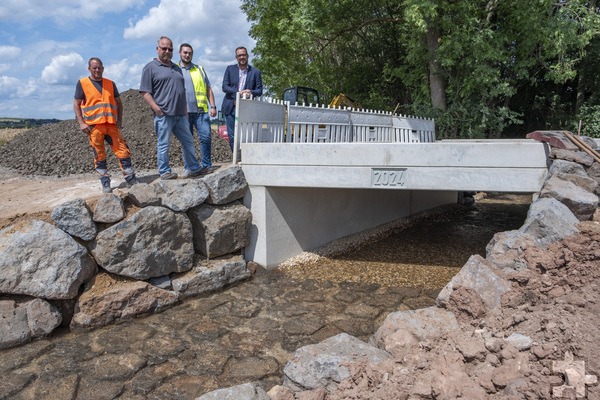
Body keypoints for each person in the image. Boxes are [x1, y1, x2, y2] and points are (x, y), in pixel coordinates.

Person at [139, 36, 204, 179]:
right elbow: (145, 91)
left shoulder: (176, 68)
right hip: (164, 114)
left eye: (170, 49)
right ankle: (164, 172)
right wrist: (156, 109)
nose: (167, 51)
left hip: (180, 114)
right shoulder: (150, 68)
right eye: (164, 48)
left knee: (188, 141)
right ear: (157, 49)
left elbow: (182, 90)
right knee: (164, 144)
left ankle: (194, 167)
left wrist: (185, 109)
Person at [74, 57, 138, 193]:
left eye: (99, 67)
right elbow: (76, 103)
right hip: (94, 127)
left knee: (123, 151)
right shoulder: (82, 83)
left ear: (103, 68)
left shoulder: (110, 84)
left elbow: (119, 103)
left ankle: (130, 179)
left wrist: (119, 120)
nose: (97, 70)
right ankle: (105, 183)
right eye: (94, 68)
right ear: (89, 69)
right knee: (99, 155)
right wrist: (81, 123)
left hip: (111, 125)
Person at [178, 43, 217, 172]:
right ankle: (189, 167)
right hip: (184, 113)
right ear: (180, 53)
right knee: (187, 142)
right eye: (185, 52)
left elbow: (208, 89)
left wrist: (213, 106)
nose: (187, 55)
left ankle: (206, 165)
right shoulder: (175, 70)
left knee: (205, 138)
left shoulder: (199, 69)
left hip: (201, 111)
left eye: (189, 53)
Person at [221, 46, 263, 151]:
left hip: (246, 108)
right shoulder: (230, 69)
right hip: (231, 107)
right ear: (236, 57)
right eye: (239, 55)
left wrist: (250, 92)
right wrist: (238, 93)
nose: (241, 57)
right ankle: (236, 157)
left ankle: (245, 156)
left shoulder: (255, 72)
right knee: (232, 135)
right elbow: (225, 87)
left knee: (245, 134)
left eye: (243, 55)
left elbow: (259, 90)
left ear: (247, 56)